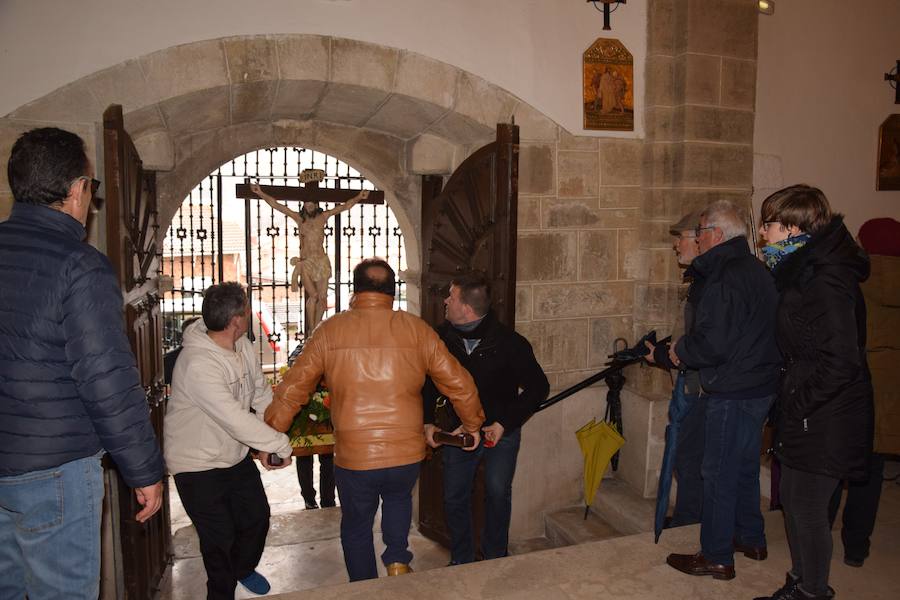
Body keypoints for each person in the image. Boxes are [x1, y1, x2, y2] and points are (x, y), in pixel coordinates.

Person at [0, 127, 165, 599]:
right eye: (90, 187)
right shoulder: (79, 264)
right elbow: (105, 379)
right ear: (76, 190)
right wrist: (144, 469)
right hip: (54, 470)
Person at [265, 258, 484, 582]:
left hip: (355, 457)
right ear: (392, 291)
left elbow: (293, 389)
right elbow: (459, 383)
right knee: (398, 500)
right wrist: (472, 424)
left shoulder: (331, 330)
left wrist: (270, 438)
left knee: (356, 526)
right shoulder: (417, 329)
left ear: (356, 290)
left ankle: (364, 589)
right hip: (405, 454)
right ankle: (397, 562)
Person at [754, 185, 873, 600]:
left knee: (807, 508)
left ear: (791, 227)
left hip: (827, 413)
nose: (762, 234)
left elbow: (841, 361)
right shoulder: (802, 271)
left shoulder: (826, 280)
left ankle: (814, 591)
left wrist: (799, 404)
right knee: (792, 499)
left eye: (767, 225)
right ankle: (800, 581)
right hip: (807, 406)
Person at [664, 200, 781, 580]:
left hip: (733, 387)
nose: (697, 240)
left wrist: (680, 350)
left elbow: (714, 343)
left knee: (716, 472)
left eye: (699, 233)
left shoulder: (724, 276)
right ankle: (751, 537)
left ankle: (716, 555)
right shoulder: (756, 269)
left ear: (714, 234)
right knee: (744, 465)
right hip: (760, 385)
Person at [165, 282, 294, 599]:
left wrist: (266, 438)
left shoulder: (244, 347)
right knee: (219, 540)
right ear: (237, 319)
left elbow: (261, 393)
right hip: (196, 465)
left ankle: (243, 568)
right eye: (247, 309)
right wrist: (280, 443)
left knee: (257, 519)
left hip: (232, 457)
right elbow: (234, 419)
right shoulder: (198, 364)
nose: (249, 314)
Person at [423, 273, 549, 565]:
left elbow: (538, 387)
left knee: (497, 494)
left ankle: (495, 559)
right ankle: (462, 560)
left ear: (466, 307)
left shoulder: (510, 343)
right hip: (457, 433)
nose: (445, 301)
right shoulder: (439, 338)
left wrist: (504, 423)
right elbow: (426, 382)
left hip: (499, 433)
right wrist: (428, 420)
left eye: (451, 297)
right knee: (454, 497)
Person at [645, 211, 705, 528]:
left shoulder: (709, 282)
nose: (675, 246)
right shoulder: (698, 279)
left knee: (688, 458)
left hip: (696, 387)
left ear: (700, 239)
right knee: (685, 458)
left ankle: (688, 522)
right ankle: (688, 518)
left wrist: (667, 357)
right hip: (689, 383)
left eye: (680, 237)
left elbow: (702, 343)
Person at [250, 181, 369, 332]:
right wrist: (260, 193)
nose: (309, 206)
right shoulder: (299, 219)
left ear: (316, 204)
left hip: (321, 261)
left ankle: (316, 329)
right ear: (304, 205)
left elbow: (344, 207)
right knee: (312, 296)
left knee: (323, 299)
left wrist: (359, 197)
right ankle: (311, 330)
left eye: (311, 204)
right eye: (306, 204)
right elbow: (278, 206)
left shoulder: (323, 217)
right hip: (307, 262)